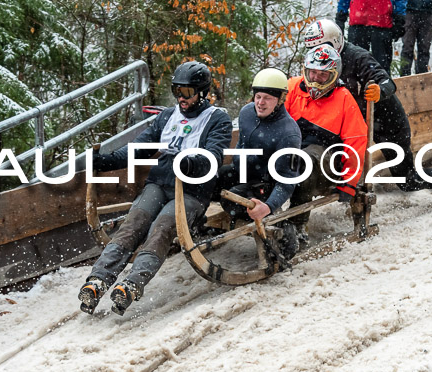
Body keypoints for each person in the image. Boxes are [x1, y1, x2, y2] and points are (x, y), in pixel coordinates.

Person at [78, 61, 233, 315]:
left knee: (161, 229)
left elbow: (213, 156)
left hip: (192, 190)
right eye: (177, 91)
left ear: (202, 92)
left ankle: (132, 283)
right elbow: (139, 147)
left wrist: (191, 162)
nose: (181, 99)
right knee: (134, 222)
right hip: (160, 182)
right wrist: (107, 161)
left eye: (187, 93)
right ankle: (98, 280)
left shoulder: (218, 119)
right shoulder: (167, 117)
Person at [303, 19, 432, 195]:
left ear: (335, 42)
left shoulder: (358, 57)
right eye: (312, 49)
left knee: (407, 179)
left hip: (387, 122)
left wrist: (379, 91)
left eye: (321, 46)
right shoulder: (317, 67)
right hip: (354, 124)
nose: (317, 53)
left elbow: (387, 82)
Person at [284, 44, 368, 249]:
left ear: (333, 75)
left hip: (327, 159)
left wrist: (349, 183)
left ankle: (297, 224)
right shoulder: (293, 87)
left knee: (306, 161)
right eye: (312, 73)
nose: (315, 79)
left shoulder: (343, 98)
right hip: (293, 147)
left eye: (323, 75)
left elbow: (355, 141)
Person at [215, 68, 302, 257]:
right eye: (258, 96)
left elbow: (288, 180)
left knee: (230, 199)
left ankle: (282, 227)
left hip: (265, 183)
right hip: (243, 172)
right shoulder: (247, 112)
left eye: (268, 98)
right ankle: (200, 225)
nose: (260, 103)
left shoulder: (289, 133)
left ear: (280, 100)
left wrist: (268, 206)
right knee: (209, 180)